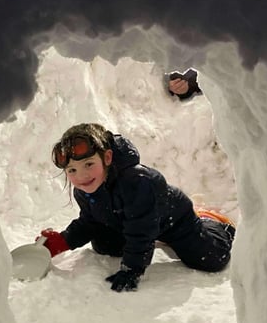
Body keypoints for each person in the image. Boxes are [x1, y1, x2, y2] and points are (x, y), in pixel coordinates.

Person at [39, 123, 235, 293]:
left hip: (173, 220)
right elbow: (90, 222)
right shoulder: (85, 189)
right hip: (131, 219)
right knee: (105, 246)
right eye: (72, 170)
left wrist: (132, 270)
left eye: (89, 164)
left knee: (211, 259)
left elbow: (142, 231)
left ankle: (213, 222)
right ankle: (154, 238)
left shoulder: (138, 183)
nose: (81, 176)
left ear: (107, 158)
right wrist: (61, 242)